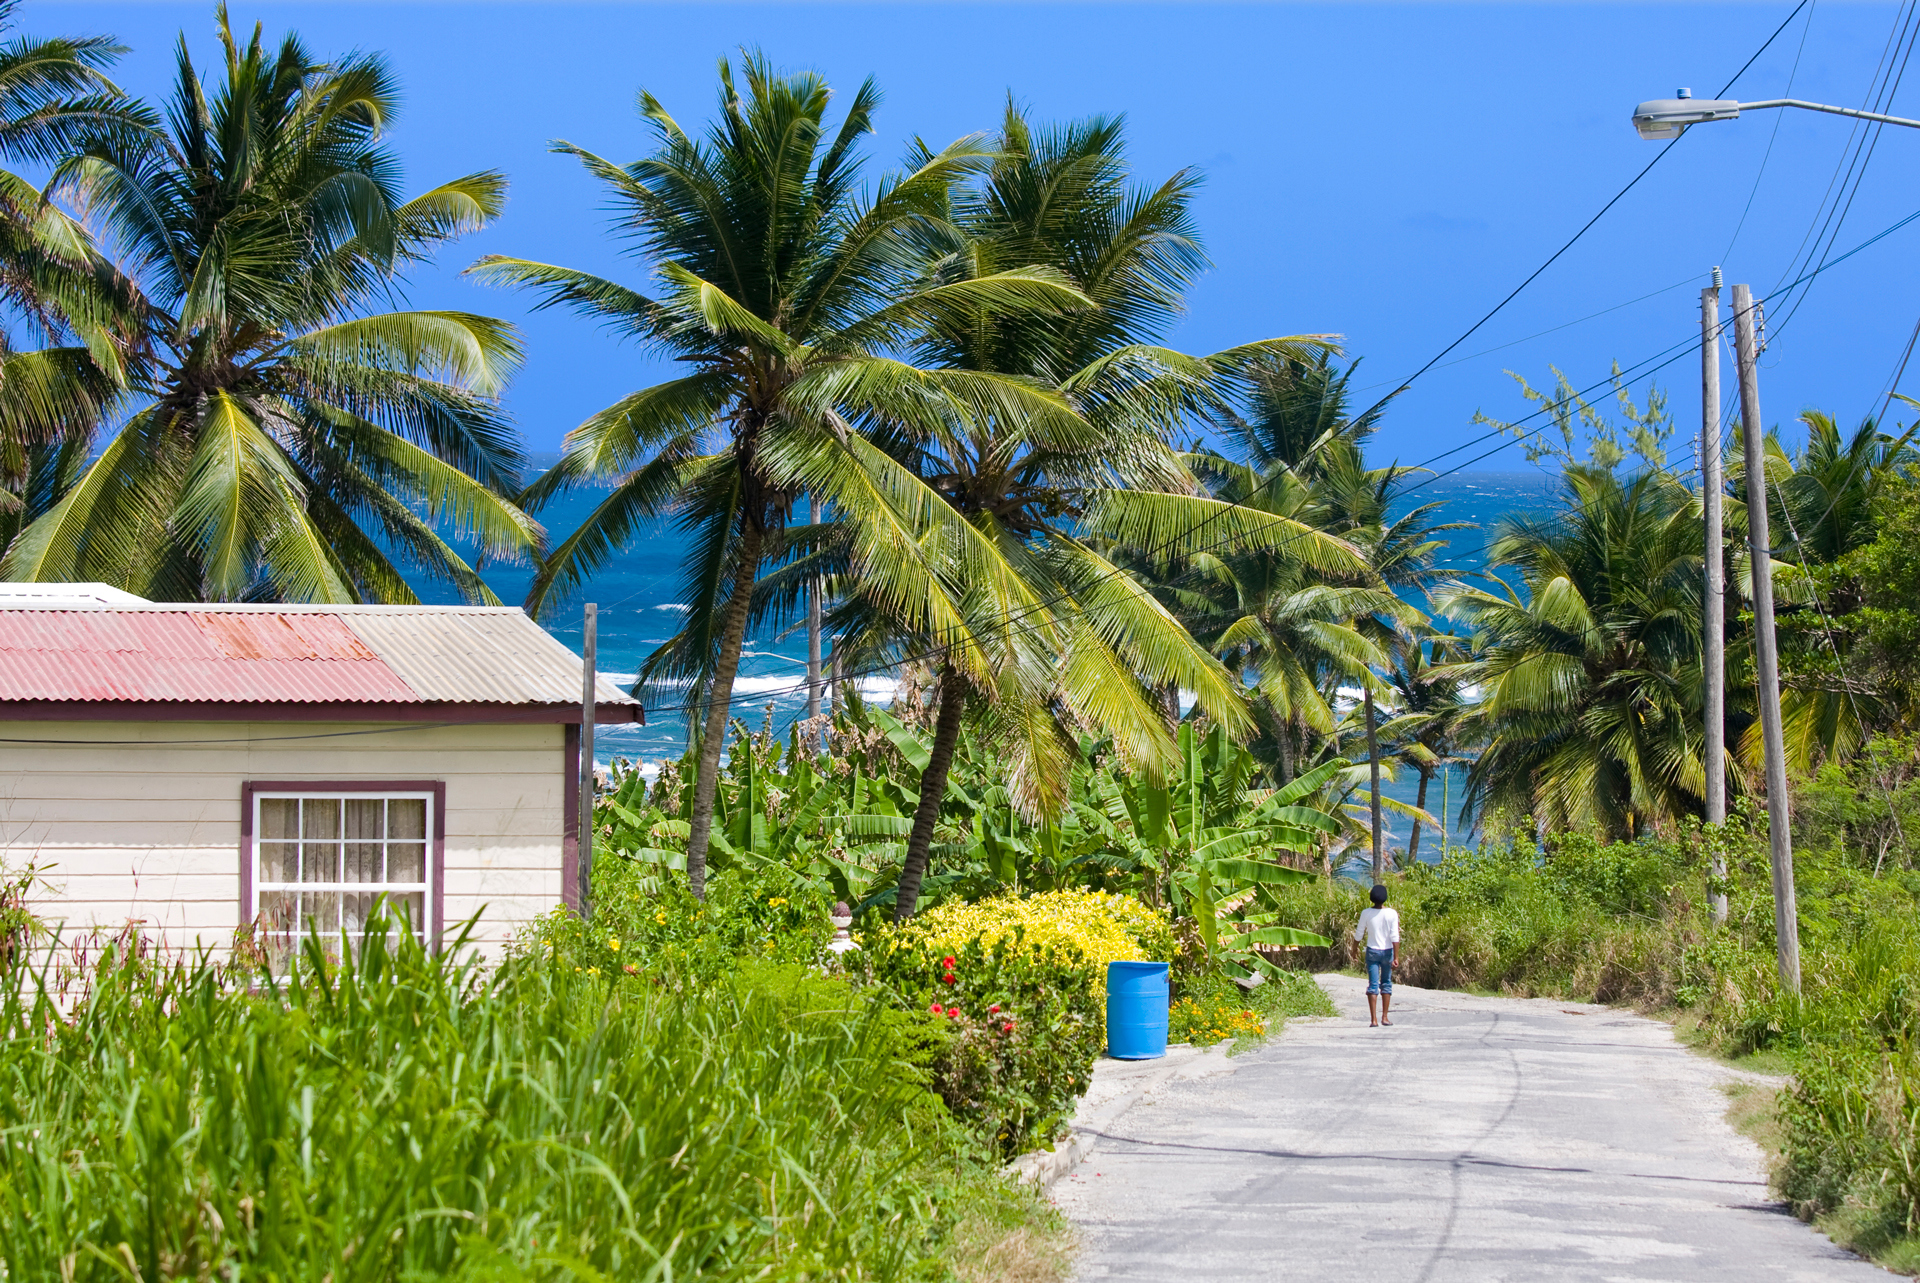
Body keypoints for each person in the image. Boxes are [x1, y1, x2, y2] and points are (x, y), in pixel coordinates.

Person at [1352, 883, 1401, 1027]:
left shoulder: (1366, 913)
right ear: (1385, 898)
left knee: (1372, 985)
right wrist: (1396, 957)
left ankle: (1373, 1020)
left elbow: (1359, 934)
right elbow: (1395, 937)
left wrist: (1354, 950)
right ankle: (1384, 1017)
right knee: (1386, 983)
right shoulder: (1392, 913)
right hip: (1387, 952)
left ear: (1372, 898)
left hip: (1372, 951)